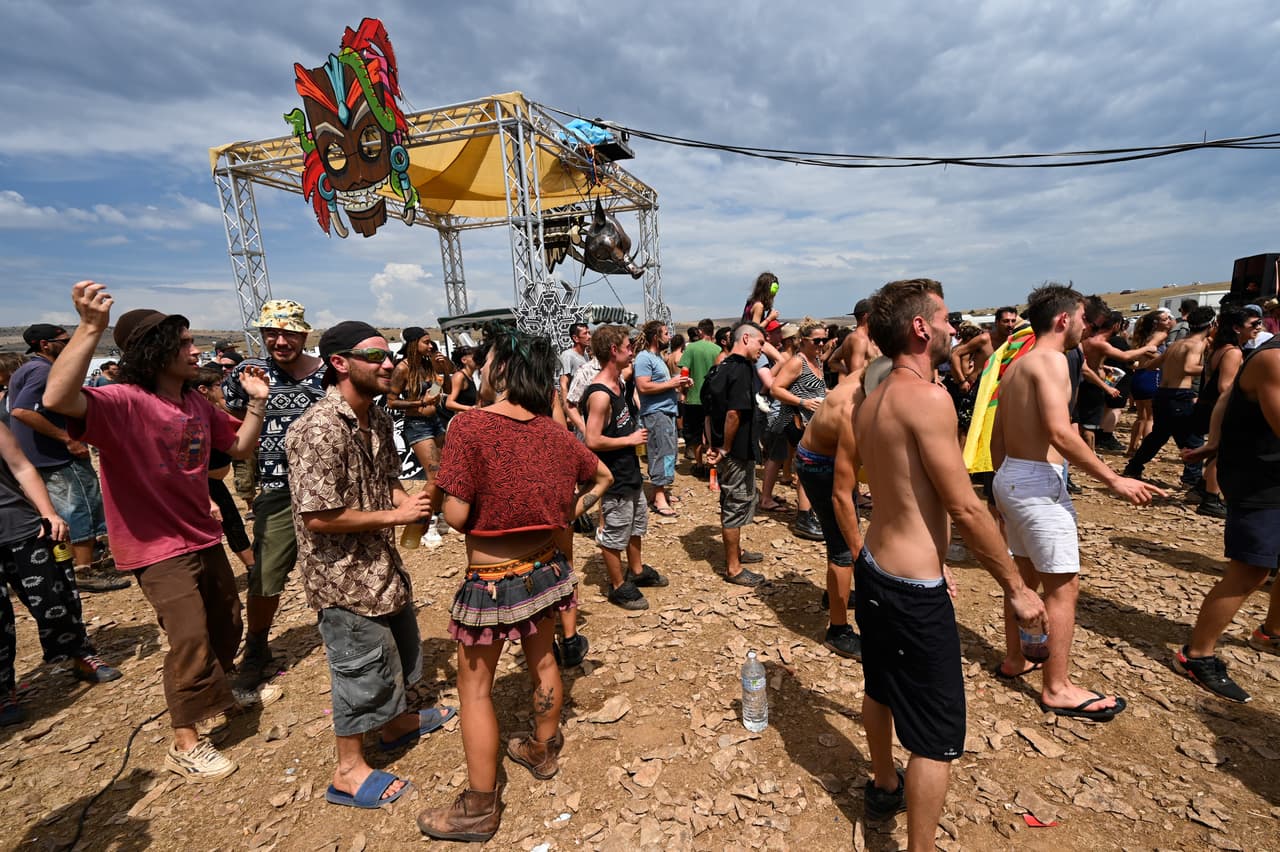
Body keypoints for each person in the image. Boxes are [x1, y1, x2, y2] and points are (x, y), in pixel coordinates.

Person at [44, 281, 278, 780]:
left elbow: (237, 447)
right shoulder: (121, 402)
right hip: (153, 546)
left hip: (200, 533)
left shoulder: (195, 403)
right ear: (157, 351)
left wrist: (257, 403)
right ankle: (185, 741)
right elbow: (58, 396)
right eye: (186, 344)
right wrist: (89, 329)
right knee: (189, 634)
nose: (196, 351)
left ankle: (224, 685)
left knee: (227, 617)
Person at [850, 278, 1046, 849]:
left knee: (881, 683)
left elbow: (905, 493)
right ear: (920, 328)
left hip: (875, 563)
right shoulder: (927, 399)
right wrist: (1015, 585)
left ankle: (884, 781)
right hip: (912, 587)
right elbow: (962, 504)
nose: (953, 328)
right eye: (945, 318)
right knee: (935, 736)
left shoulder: (871, 403)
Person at [417, 325, 611, 842]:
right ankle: (543, 751)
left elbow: (457, 516)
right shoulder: (553, 433)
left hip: (490, 580)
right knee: (543, 660)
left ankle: (480, 806)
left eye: (486, 359)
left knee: (475, 689)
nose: (480, 367)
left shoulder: (471, 428)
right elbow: (603, 477)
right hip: (546, 571)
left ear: (500, 369)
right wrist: (568, 513)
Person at [285, 321, 456, 809]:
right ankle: (348, 772)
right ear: (340, 363)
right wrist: (396, 513)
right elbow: (318, 517)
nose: (389, 365)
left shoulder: (377, 419)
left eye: (389, 357)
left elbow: (385, 481)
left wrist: (412, 502)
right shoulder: (316, 429)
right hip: (341, 577)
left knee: (401, 648)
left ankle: (396, 722)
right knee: (359, 668)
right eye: (374, 357)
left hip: (380, 565)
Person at [990, 285, 1162, 725]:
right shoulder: (1049, 361)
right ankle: (1058, 687)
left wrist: (1001, 486)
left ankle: (1016, 659)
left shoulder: (1016, 365)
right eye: (1084, 317)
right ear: (1064, 319)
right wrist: (1114, 478)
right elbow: (1060, 431)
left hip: (1011, 474)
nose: (1087, 326)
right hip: (1034, 480)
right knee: (1062, 588)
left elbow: (997, 436)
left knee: (1026, 578)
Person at [222, 299, 327, 691]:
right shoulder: (246, 374)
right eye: (272, 333)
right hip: (278, 488)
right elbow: (231, 419)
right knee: (266, 574)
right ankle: (257, 646)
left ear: (303, 334)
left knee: (336, 564)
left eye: (288, 333)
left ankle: (343, 636)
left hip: (329, 488)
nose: (280, 341)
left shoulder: (327, 373)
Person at [1174, 331, 1280, 703]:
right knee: (1250, 569)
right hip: (1262, 481)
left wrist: (1216, 440)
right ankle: (1196, 654)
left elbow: (1228, 398)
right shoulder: (1274, 358)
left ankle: (1271, 631)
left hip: (1265, 470)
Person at [0, 419, 122, 726]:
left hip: (19, 526)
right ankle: (3, 690)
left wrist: (48, 512)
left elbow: (21, 466)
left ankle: (79, 654)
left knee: (54, 598)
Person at [8, 324, 126, 593]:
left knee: (68, 510)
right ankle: (84, 571)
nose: (69, 344)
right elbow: (22, 412)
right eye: (64, 340)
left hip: (43, 455)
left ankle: (83, 563)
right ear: (44, 345)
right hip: (57, 456)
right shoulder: (42, 371)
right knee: (80, 507)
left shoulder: (28, 369)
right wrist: (68, 439)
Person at [583, 326, 667, 610]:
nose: (633, 351)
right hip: (614, 475)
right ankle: (618, 585)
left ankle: (637, 570)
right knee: (614, 532)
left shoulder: (619, 381)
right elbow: (592, 439)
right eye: (628, 346)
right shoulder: (600, 394)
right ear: (613, 351)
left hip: (629, 470)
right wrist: (628, 439)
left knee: (635, 524)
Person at [796, 369, 863, 659]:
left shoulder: (865, 374)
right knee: (844, 548)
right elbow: (841, 495)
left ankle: (835, 596)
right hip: (820, 465)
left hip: (816, 455)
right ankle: (838, 631)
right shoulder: (855, 408)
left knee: (841, 541)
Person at [704, 323, 767, 587]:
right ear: (746, 338)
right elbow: (733, 413)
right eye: (760, 343)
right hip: (735, 450)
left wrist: (712, 444)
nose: (762, 349)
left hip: (722, 447)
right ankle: (733, 567)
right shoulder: (741, 370)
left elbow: (707, 410)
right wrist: (726, 448)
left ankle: (737, 552)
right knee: (735, 503)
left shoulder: (719, 367)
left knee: (730, 499)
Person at [1123, 306, 1216, 486]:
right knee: (1192, 438)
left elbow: (1151, 365)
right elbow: (1189, 368)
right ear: (1211, 324)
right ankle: (1192, 480)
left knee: (1158, 436)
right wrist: (1214, 370)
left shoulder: (1177, 344)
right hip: (1179, 395)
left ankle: (1133, 468)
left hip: (1162, 395)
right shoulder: (1196, 344)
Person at [1193, 306, 1256, 518]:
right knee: (1220, 453)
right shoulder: (1233, 352)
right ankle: (1210, 498)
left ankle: (1203, 487)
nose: (1259, 328)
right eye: (1254, 324)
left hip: (1209, 404)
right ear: (1237, 328)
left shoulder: (1221, 348)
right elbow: (1225, 386)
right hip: (1220, 406)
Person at [388, 327, 447, 546]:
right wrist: (419, 403)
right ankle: (423, 522)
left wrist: (441, 368)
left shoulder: (427, 364)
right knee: (435, 477)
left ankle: (439, 517)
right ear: (413, 344)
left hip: (435, 422)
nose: (430, 346)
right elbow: (391, 401)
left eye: (431, 342)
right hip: (417, 425)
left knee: (444, 475)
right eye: (426, 342)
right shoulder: (402, 368)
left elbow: (441, 386)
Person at [770, 319, 828, 541]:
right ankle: (804, 518)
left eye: (824, 339)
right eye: (817, 340)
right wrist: (802, 402)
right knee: (806, 470)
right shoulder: (798, 362)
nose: (821, 344)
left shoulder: (817, 360)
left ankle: (809, 513)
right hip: (797, 421)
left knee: (812, 469)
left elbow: (815, 389)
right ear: (803, 341)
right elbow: (776, 388)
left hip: (813, 422)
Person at [192, 367, 254, 573]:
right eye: (218, 385)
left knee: (231, 521)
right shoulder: (196, 416)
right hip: (199, 483)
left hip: (212, 481)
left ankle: (252, 565)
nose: (223, 388)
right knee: (225, 522)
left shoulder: (218, 411)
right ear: (203, 389)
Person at [633, 321, 692, 516]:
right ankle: (658, 498)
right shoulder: (644, 358)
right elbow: (643, 386)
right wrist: (672, 383)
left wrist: (679, 384)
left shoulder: (658, 357)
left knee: (669, 451)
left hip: (666, 411)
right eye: (665, 333)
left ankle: (661, 491)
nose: (669, 336)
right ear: (655, 337)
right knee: (661, 452)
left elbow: (661, 384)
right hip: (656, 413)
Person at [1126, 308, 1174, 456]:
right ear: (1157, 323)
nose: (1169, 321)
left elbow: (1141, 350)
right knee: (1150, 418)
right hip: (1151, 375)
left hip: (1139, 375)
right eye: (1165, 319)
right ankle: (1146, 452)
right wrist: (1165, 358)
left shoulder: (1144, 335)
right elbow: (1148, 351)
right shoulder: (1160, 335)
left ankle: (1132, 448)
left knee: (1141, 416)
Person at [677, 318, 721, 477]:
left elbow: (684, 372)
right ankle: (713, 464)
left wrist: (683, 391)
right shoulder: (718, 349)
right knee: (712, 433)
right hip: (713, 399)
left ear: (701, 331)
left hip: (694, 398)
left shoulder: (691, 349)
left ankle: (699, 464)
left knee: (695, 435)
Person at [828, 298, 882, 378]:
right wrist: (850, 373)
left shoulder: (855, 338)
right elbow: (856, 374)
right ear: (866, 316)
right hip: (865, 388)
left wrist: (847, 371)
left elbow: (832, 361)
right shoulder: (859, 339)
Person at [558, 322, 591, 422]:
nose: (589, 336)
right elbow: (563, 384)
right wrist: (568, 411)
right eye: (585, 334)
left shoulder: (585, 355)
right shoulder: (568, 355)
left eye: (589, 333)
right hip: (575, 407)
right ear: (576, 338)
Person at [743, 271, 783, 346]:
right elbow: (755, 329)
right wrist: (769, 318)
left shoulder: (751, 302)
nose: (775, 293)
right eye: (775, 289)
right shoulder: (759, 306)